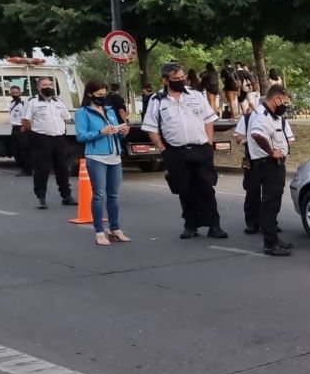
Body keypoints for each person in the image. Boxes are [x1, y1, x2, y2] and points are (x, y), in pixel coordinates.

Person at [143, 62, 227, 239]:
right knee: (185, 189)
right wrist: (162, 149)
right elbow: (151, 127)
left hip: (201, 149)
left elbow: (208, 120)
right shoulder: (157, 100)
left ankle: (214, 225)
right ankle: (190, 225)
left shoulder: (196, 96)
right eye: (175, 79)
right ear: (165, 80)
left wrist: (209, 143)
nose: (180, 81)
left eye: (182, 78)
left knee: (206, 188)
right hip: (176, 152)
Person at [74, 80, 131, 246]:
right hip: (96, 157)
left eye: (104, 94)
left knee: (113, 195)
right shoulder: (83, 112)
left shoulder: (109, 110)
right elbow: (81, 136)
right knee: (99, 195)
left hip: (114, 155)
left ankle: (115, 228)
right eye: (99, 95)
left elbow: (115, 133)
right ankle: (99, 231)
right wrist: (100, 132)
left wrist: (122, 132)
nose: (102, 97)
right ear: (90, 94)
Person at [245, 85, 294, 256]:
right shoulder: (261, 115)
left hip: (275, 164)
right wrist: (271, 151)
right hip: (267, 164)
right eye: (285, 102)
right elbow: (257, 135)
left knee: (274, 204)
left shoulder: (274, 117)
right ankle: (270, 244)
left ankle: (274, 239)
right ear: (277, 99)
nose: (285, 106)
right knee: (269, 204)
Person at [22, 78, 76, 210]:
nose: (47, 87)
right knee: (42, 169)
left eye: (49, 85)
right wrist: (34, 133)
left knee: (63, 168)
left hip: (59, 139)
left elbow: (67, 118)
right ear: (39, 88)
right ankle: (41, 198)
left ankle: (66, 196)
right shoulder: (32, 102)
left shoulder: (58, 102)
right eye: (44, 85)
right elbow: (25, 120)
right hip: (41, 139)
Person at [7, 85, 31, 177]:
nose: (15, 94)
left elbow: (26, 116)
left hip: (22, 128)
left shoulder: (22, 104)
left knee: (24, 150)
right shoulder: (11, 103)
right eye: (13, 93)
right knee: (16, 150)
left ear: (20, 93)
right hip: (14, 128)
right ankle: (23, 168)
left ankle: (27, 170)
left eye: (16, 93)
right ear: (10, 93)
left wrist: (24, 126)